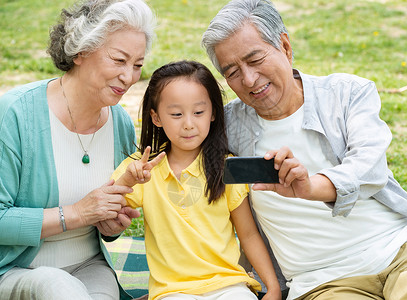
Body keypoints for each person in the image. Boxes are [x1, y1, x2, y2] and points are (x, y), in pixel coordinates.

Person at [201, 0, 407, 299]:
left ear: (285, 46)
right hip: (320, 282)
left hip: (400, 250)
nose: (249, 79)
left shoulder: (347, 94)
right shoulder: (223, 127)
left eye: (254, 60)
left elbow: (369, 168)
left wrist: (311, 186)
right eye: (232, 72)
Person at [0, 0, 156, 299]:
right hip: (17, 271)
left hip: (89, 267)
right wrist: (76, 213)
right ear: (81, 51)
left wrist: (110, 225)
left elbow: (106, 226)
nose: (129, 77)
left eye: (137, 65)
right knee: (56, 286)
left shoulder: (119, 121)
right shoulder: (16, 114)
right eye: (119, 60)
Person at [111, 60, 281, 300]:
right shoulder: (141, 168)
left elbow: (248, 234)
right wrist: (128, 180)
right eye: (176, 114)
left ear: (212, 113)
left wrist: (272, 287)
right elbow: (109, 206)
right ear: (156, 117)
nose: (189, 124)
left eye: (199, 112)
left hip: (228, 285)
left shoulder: (226, 167)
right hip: (173, 291)